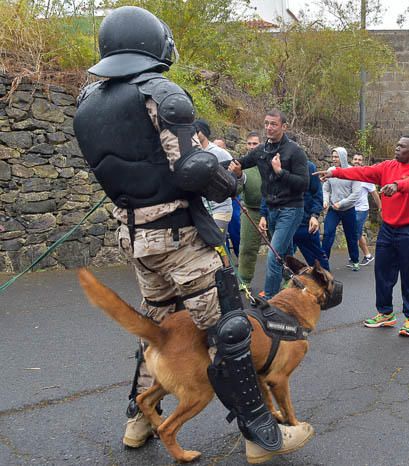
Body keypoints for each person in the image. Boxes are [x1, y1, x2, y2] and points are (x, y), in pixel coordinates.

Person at [72, 7, 312, 462]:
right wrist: (226, 181)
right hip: (180, 239)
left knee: (158, 335)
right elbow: (189, 167)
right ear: (152, 44)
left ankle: (139, 421)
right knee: (231, 327)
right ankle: (263, 436)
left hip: (137, 238)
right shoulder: (160, 92)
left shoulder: (90, 101)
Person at [315, 135, 409, 337]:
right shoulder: (387, 166)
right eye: (397, 144)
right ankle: (385, 313)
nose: (397, 148)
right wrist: (335, 172)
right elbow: (362, 172)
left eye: (402, 146)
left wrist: (397, 185)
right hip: (388, 229)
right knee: (382, 272)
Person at [230, 110, 310, 300]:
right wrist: (224, 166)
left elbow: (304, 184)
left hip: (291, 210)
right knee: (286, 254)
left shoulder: (295, 151)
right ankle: (299, 287)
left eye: (273, 124)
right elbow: (239, 162)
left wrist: (281, 172)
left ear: (284, 126)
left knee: (274, 255)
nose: (269, 127)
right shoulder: (262, 150)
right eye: (266, 123)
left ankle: (270, 300)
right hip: (272, 210)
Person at [194, 119, 234, 266]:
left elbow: (235, 175)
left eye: (196, 131)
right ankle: (221, 275)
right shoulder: (193, 154)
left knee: (216, 242)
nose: (194, 134)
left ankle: (229, 276)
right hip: (203, 208)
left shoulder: (219, 153)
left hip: (221, 207)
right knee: (214, 246)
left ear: (203, 133)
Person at [321, 147, 362, 270]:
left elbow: (356, 194)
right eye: (332, 156)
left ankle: (355, 260)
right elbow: (326, 188)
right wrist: (325, 200)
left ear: (343, 157)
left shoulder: (352, 172)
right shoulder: (330, 170)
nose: (333, 159)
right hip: (334, 210)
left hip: (348, 210)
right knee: (327, 234)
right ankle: (323, 264)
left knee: (351, 236)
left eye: (336, 156)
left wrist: (342, 203)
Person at [235, 132, 263, 289]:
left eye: (255, 144)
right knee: (246, 247)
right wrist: (238, 175)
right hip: (251, 211)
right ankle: (244, 280)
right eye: (249, 144)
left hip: (273, 209)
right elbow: (237, 191)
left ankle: (287, 277)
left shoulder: (268, 161)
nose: (252, 147)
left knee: (281, 247)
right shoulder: (242, 165)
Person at [293, 161, 330, 270]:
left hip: (305, 223)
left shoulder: (309, 167)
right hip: (284, 224)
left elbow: (317, 194)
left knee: (317, 261)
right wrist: (264, 215)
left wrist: (314, 215)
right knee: (281, 259)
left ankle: (326, 284)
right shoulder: (275, 166)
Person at [350, 153, 381, 267]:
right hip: (349, 209)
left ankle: (365, 256)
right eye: (355, 159)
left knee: (355, 233)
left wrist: (380, 208)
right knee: (355, 233)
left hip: (361, 210)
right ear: (352, 161)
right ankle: (361, 255)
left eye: (359, 160)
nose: (357, 161)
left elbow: (374, 194)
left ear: (362, 162)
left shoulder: (366, 177)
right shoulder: (347, 173)